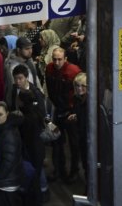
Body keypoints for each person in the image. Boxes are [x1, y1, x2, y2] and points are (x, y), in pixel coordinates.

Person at [45, 47, 82, 183]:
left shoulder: (74, 71)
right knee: (56, 142)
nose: (57, 62)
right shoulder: (49, 69)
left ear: (65, 59)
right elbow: (50, 89)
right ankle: (58, 169)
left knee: (74, 144)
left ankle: (74, 171)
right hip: (58, 110)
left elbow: (81, 92)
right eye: (54, 59)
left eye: (60, 59)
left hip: (71, 111)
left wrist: (76, 112)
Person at [0, 102, 23, 206]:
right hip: (6, 181)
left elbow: (8, 161)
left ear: (7, 113)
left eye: (0, 114)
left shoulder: (8, 134)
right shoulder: (3, 128)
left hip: (6, 183)